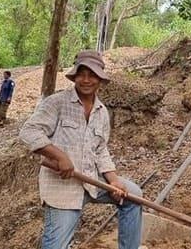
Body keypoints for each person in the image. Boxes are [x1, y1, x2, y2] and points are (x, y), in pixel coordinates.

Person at [19, 51, 142, 249]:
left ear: (100, 79)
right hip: (63, 188)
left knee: (133, 195)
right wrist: (59, 156)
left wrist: (114, 181)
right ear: (74, 76)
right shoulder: (57, 103)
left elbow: (100, 150)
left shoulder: (101, 112)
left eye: (92, 75)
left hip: (91, 180)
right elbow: (29, 131)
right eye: (81, 74)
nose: (86, 80)